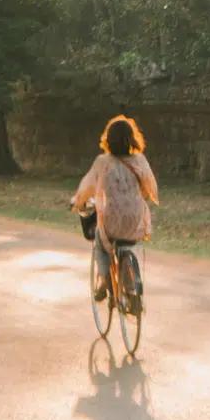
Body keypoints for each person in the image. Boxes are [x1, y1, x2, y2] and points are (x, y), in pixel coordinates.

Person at [71, 115, 159, 300]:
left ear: (108, 139)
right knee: (130, 243)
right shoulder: (140, 160)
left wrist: (77, 202)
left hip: (111, 219)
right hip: (136, 219)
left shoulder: (103, 162)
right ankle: (132, 283)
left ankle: (103, 280)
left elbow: (87, 188)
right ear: (132, 138)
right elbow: (151, 188)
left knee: (100, 241)